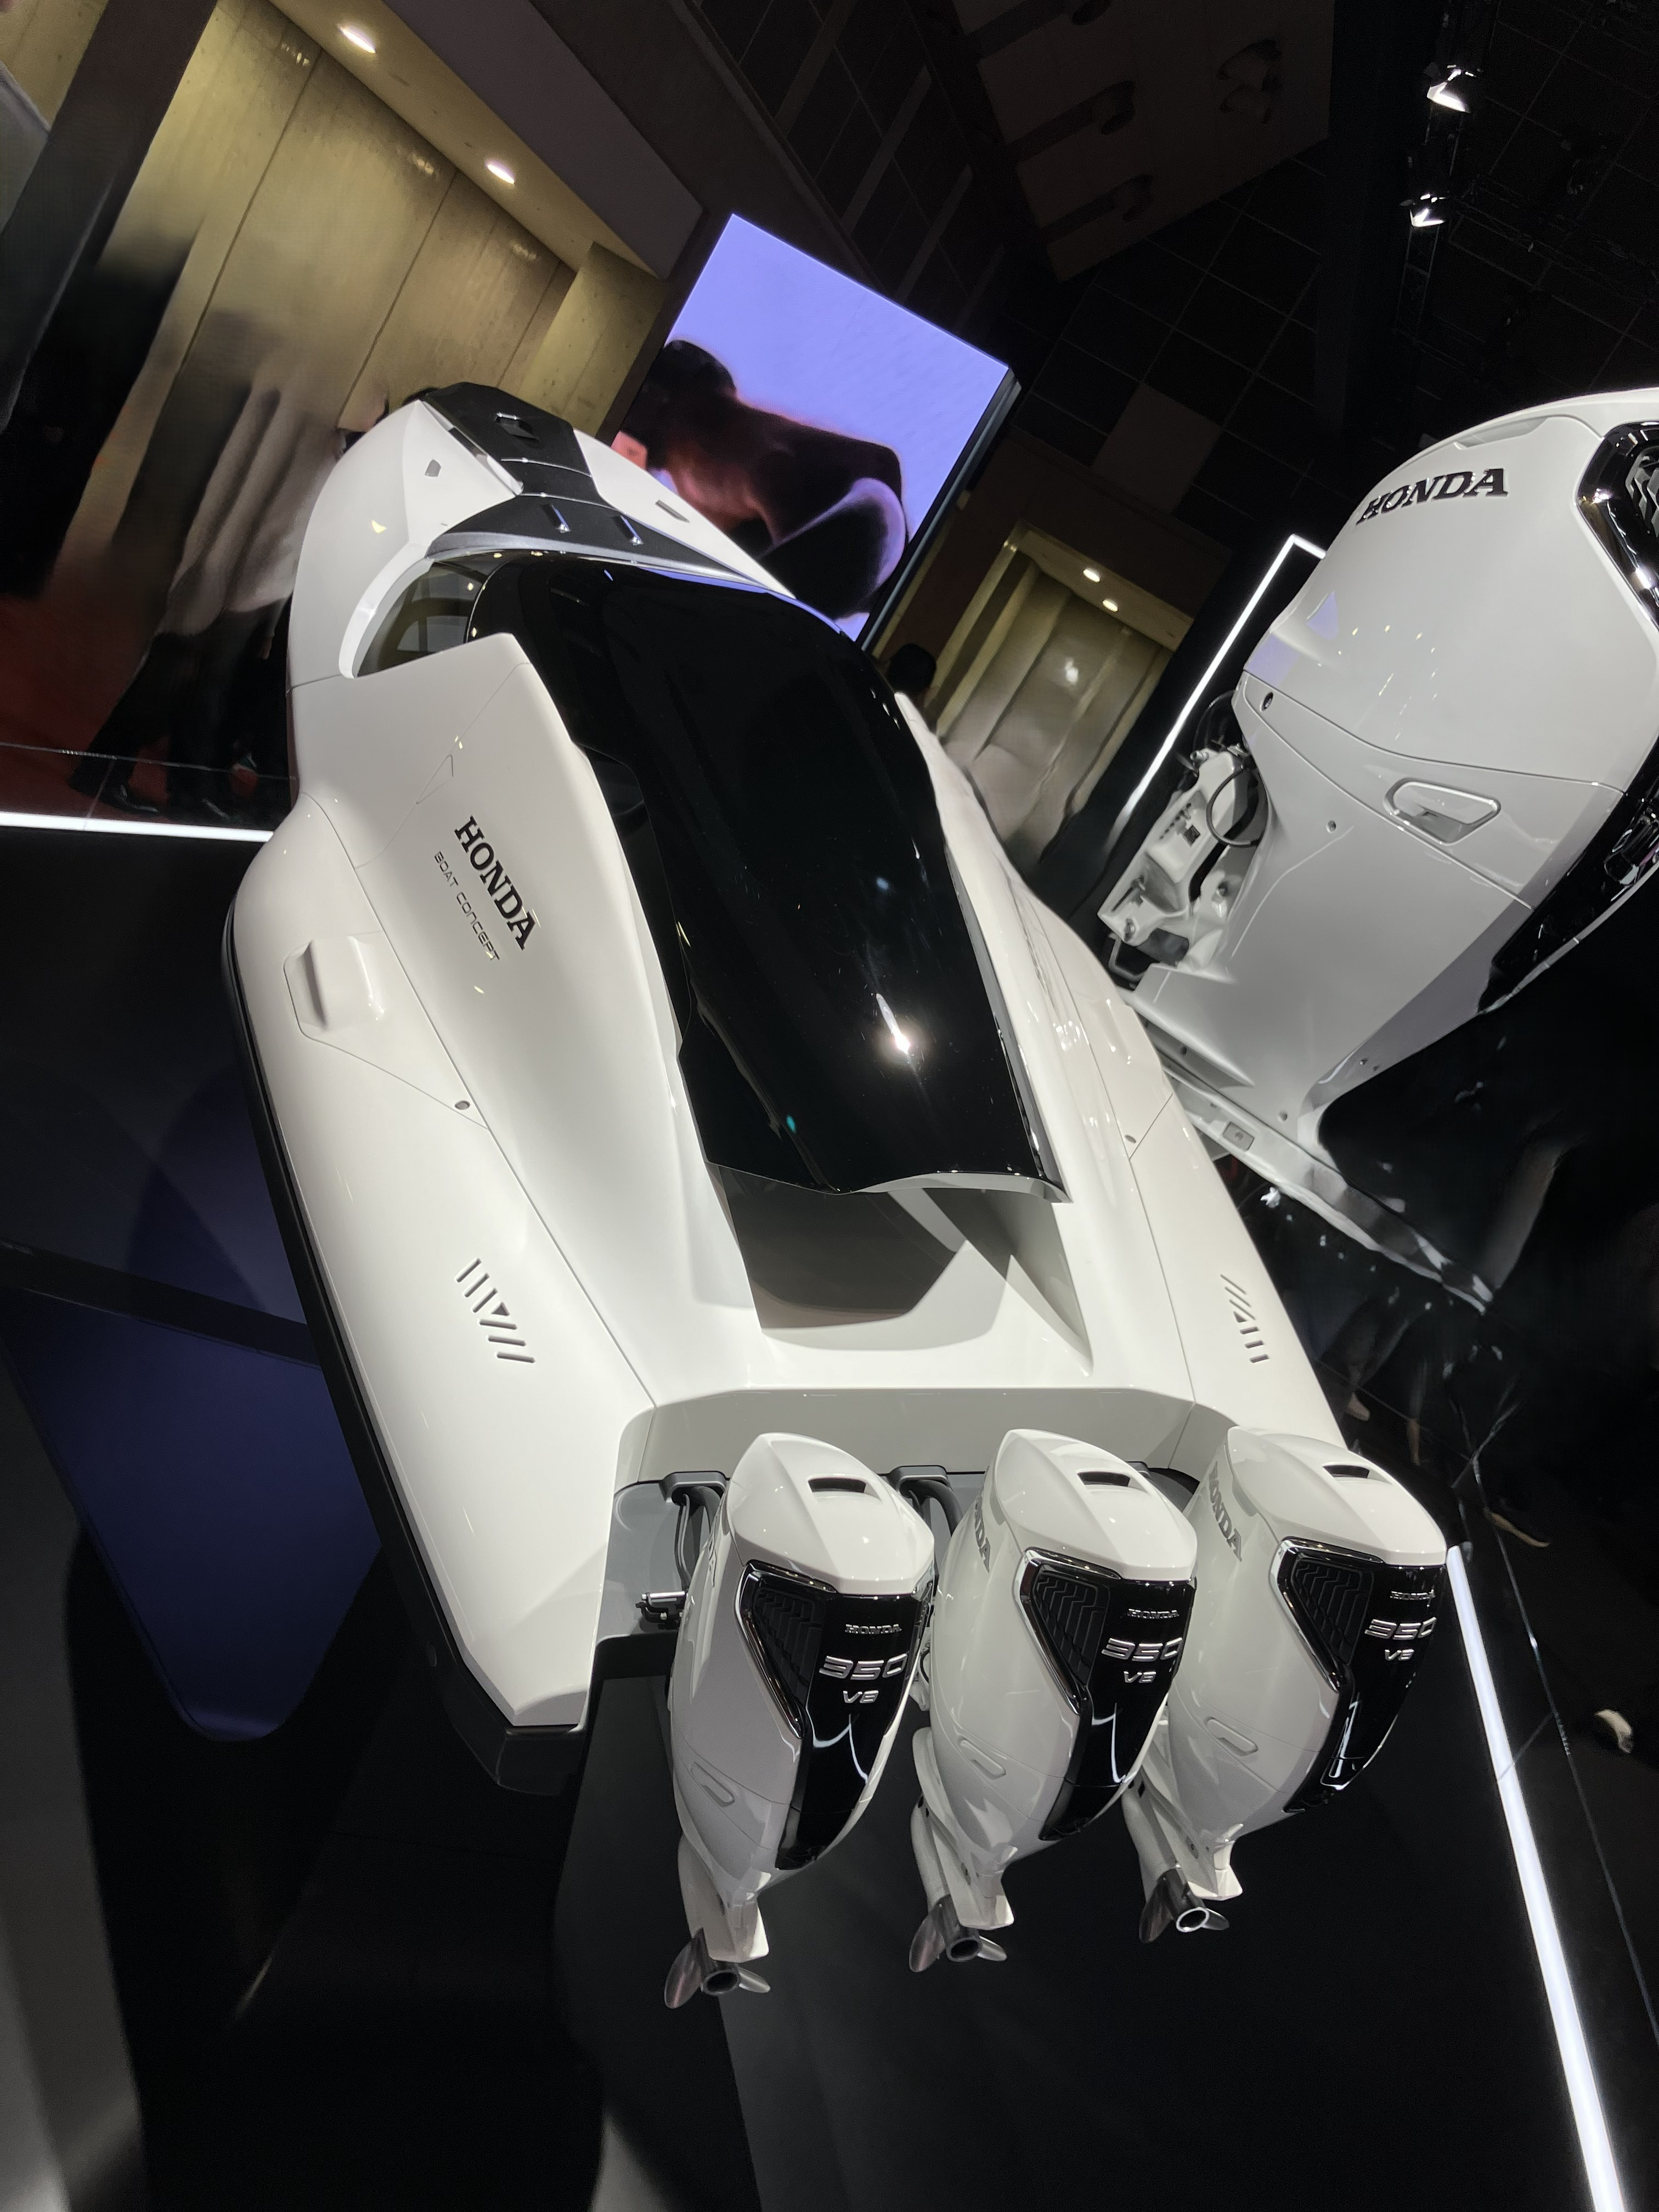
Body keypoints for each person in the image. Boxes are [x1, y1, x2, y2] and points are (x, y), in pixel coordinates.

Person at [613, 341, 908, 623]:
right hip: (850, 530)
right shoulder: (693, 463)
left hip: (852, 531)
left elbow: (773, 473)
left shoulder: (704, 449)